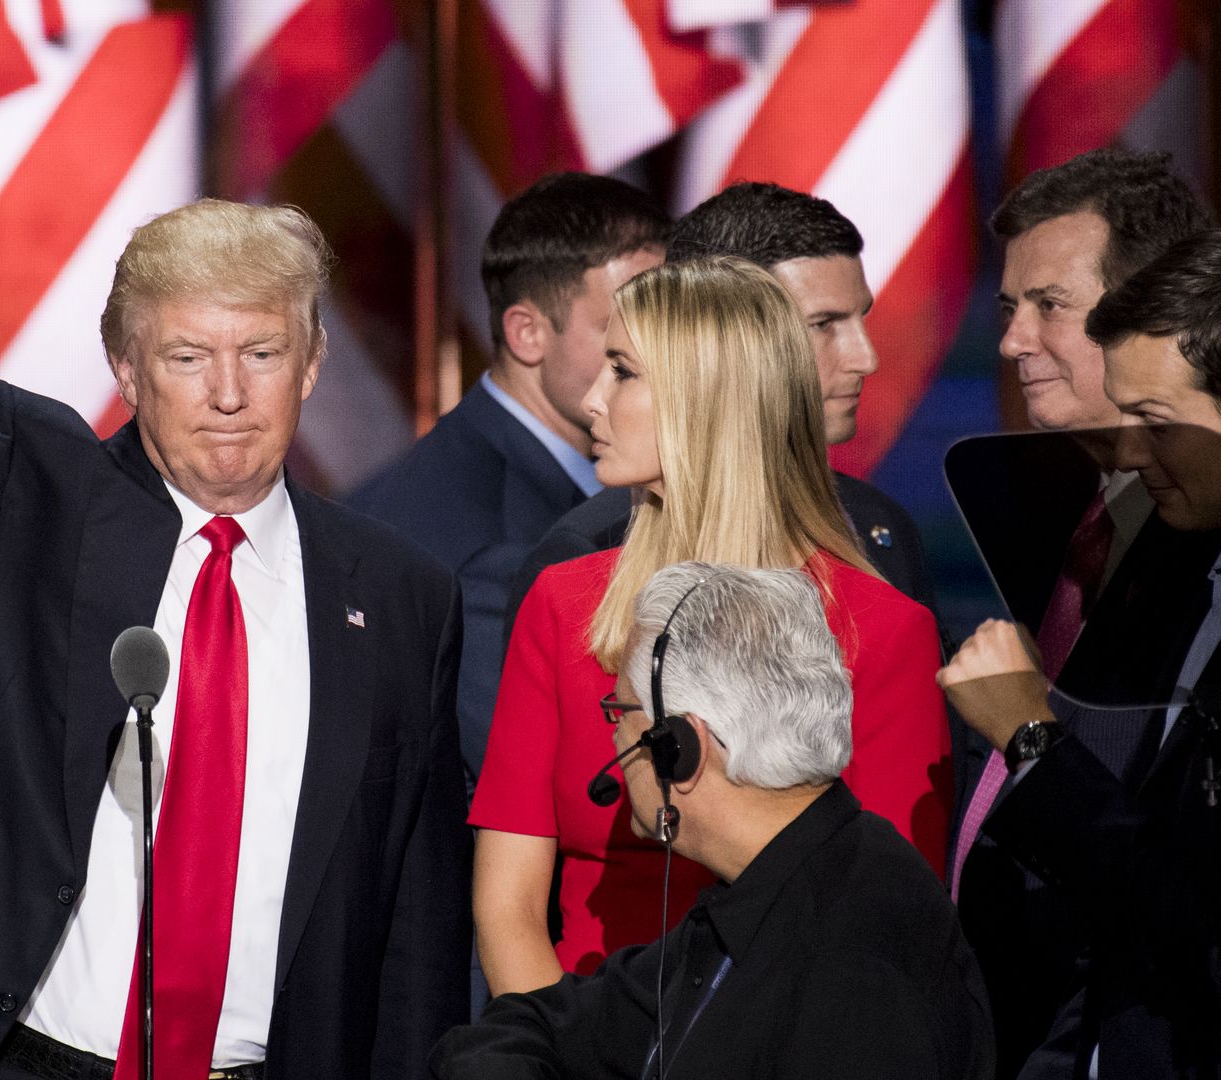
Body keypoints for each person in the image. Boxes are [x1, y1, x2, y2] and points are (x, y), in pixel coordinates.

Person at [0, 50, 469, 1080]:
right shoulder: (23, 494)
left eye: (261, 353)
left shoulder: (400, 597)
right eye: (187, 358)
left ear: (310, 365)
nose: (229, 393)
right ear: (128, 370)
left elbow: (415, 929)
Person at [471, 256, 950, 996]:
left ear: (708, 399)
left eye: (623, 372)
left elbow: (889, 927)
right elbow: (507, 908)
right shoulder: (563, 605)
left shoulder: (882, 631)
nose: (593, 401)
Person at [435, 563, 993, 1080]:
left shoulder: (857, 968)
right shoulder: (773, 884)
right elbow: (538, 1026)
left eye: (621, 713)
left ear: (680, 747)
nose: (612, 736)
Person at [950, 148, 1214, 1079]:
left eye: (1049, 306)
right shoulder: (1041, 499)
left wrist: (1028, 737)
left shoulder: (1198, 533)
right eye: (1005, 310)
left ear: (1151, 304)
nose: (1015, 341)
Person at [350, 172, 667, 784]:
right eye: (626, 323)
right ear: (527, 333)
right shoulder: (495, 542)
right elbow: (545, 785)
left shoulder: (580, 483)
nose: (658, 349)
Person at [509, 181, 940, 629]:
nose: (865, 358)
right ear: (713, 338)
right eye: (823, 324)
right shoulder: (586, 558)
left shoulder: (878, 526)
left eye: (859, 318)